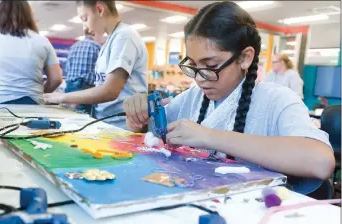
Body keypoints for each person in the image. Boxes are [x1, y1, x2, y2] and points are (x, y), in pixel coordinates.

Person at [123, 2, 335, 194]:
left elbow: (320, 161)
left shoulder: (276, 100)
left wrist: (209, 136)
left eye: (211, 66)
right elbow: (152, 133)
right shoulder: (192, 98)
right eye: (194, 66)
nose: (199, 79)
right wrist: (137, 118)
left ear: (245, 58)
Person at [43, 0, 148, 129]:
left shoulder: (124, 36)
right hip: (107, 122)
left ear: (99, 10)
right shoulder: (110, 41)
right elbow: (101, 85)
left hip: (121, 126)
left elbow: (110, 91)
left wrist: (62, 97)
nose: (84, 27)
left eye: (85, 18)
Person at [0, 0, 63, 105]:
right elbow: (56, 78)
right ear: (28, 13)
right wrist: (38, 94)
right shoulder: (41, 40)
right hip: (31, 104)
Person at [65, 24, 101, 113]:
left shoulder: (74, 46)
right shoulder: (97, 47)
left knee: (68, 113)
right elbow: (101, 69)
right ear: (95, 33)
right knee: (83, 118)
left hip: (70, 85)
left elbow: (67, 68)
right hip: (85, 87)